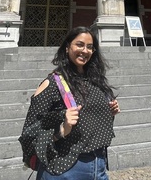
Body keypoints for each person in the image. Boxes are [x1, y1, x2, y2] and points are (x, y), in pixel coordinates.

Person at [19, 26, 121, 179]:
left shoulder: (96, 82)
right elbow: (29, 134)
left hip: (98, 166)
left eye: (90, 47)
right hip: (64, 169)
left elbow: (89, 122)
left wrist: (109, 112)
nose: (85, 50)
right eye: (79, 44)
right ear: (67, 48)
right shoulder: (53, 83)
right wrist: (62, 129)